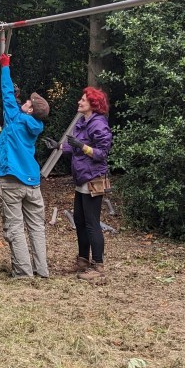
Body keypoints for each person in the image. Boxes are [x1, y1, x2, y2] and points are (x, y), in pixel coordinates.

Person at [43, 87, 113, 284]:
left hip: (93, 179)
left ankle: (98, 267)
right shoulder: (83, 121)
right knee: (80, 221)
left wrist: (82, 146)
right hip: (81, 178)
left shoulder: (98, 124)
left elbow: (101, 153)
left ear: (93, 104)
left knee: (92, 223)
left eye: (83, 100)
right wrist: (59, 146)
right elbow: (75, 147)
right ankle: (83, 261)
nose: (79, 102)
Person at [0, 53, 51, 279]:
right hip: (32, 182)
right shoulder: (33, 124)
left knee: (15, 227)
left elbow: (7, 95)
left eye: (27, 102)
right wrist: (19, 100)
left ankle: (23, 272)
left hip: (11, 180)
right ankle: (42, 270)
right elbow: (16, 106)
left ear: (29, 110)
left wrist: (5, 67)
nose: (26, 101)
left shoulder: (14, 118)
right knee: (37, 227)